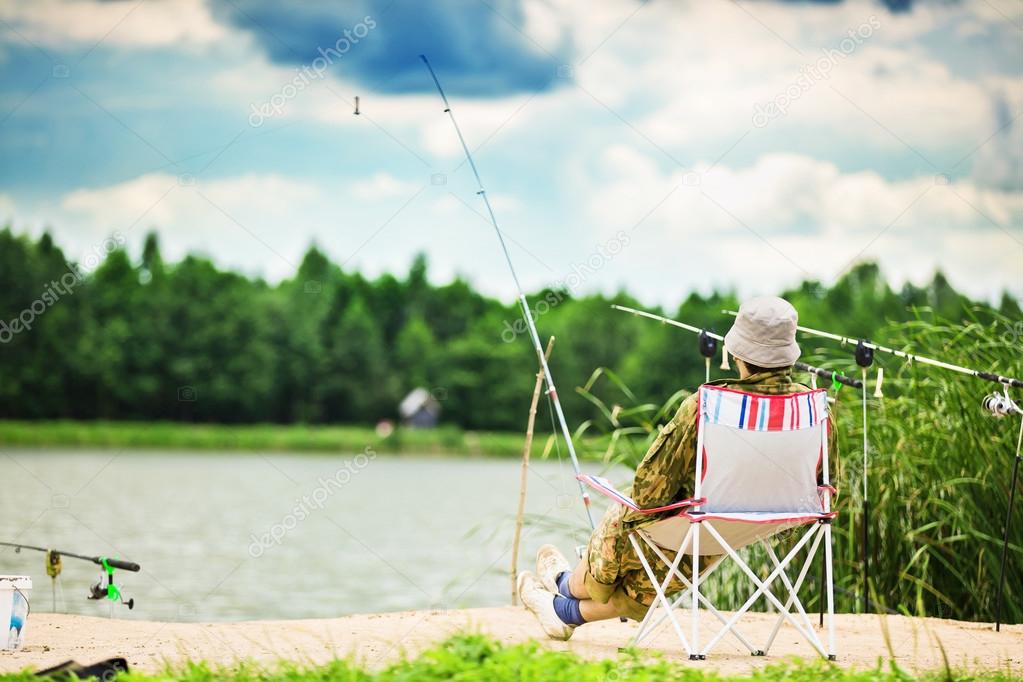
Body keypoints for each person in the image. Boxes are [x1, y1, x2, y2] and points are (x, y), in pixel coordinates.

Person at [517, 296, 838, 640]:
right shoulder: (816, 410)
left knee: (628, 516)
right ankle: (563, 609)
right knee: (678, 547)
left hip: (701, 528)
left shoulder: (707, 406)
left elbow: (648, 493)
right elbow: (828, 486)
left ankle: (566, 587)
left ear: (738, 354)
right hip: (750, 532)